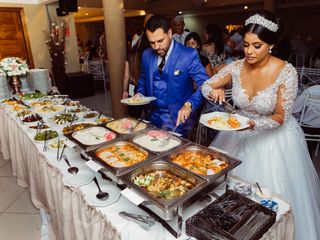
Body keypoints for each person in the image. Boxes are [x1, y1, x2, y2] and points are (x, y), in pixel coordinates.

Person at [201, 10, 320, 240]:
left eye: (257, 46)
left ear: (271, 44)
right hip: (236, 134)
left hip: (275, 141)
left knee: (267, 204)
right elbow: (206, 84)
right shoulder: (237, 66)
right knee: (227, 197)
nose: (249, 52)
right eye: (246, 45)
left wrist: (250, 125)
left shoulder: (287, 72)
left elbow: (279, 117)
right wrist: (214, 89)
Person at [135, 15, 208, 137]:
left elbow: (205, 84)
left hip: (179, 121)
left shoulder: (188, 55)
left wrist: (189, 104)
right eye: (152, 43)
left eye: (160, 41)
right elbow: (143, 79)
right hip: (152, 119)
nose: (156, 47)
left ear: (169, 33)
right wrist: (140, 93)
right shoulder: (146, 55)